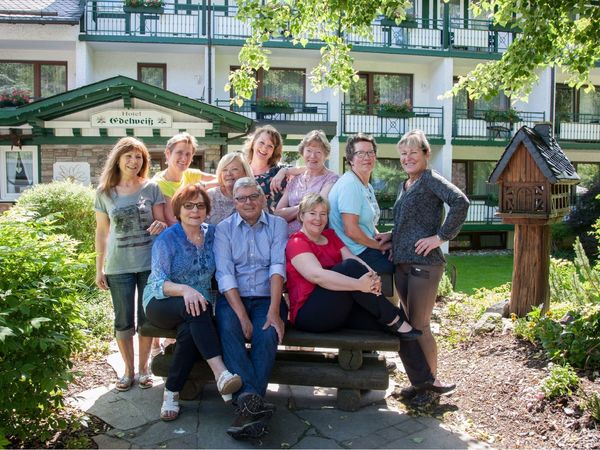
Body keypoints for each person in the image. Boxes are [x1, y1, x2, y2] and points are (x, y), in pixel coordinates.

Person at [143, 183, 242, 421]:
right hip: (161, 301)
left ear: (207, 210)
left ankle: (171, 391)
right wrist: (186, 290)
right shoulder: (167, 239)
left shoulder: (214, 234)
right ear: (178, 210)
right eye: (188, 206)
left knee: (191, 326)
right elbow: (158, 282)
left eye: (200, 205)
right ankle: (220, 372)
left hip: (197, 307)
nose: (195, 211)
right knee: (196, 306)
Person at [389, 129, 469, 404]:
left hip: (424, 265)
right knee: (408, 325)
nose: (407, 158)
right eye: (403, 153)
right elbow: (409, 223)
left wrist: (441, 237)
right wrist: (391, 235)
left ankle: (432, 383)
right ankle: (420, 382)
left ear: (426, 154)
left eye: (413, 152)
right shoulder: (406, 184)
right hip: (401, 263)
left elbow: (461, 201)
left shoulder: (430, 180)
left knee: (419, 325)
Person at [286, 193, 420, 339]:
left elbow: (352, 257)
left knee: (380, 325)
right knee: (349, 267)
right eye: (312, 213)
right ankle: (395, 320)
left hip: (337, 309)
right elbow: (318, 276)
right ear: (301, 216)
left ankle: (401, 332)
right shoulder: (297, 243)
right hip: (310, 315)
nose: (318, 219)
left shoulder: (330, 236)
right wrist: (359, 285)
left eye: (323, 214)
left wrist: (372, 275)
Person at [213, 177, 288, 440]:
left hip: (268, 298)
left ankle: (246, 404)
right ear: (234, 202)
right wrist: (242, 315)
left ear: (263, 198)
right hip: (234, 298)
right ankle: (253, 402)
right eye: (242, 198)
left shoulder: (278, 225)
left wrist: (274, 310)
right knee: (229, 328)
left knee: (267, 333)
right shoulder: (224, 229)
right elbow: (225, 275)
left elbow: (278, 267)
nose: (248, 202)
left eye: (253, 196)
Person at [95, 136, 167, 392]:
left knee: (147, 319)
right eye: (129, 156)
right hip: (118, 265)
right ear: (118, 159)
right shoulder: (105, 192)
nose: (134, 161)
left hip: (149, 264)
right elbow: (102, 232)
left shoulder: (151, 188)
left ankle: (145, 369)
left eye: (139, 157)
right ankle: (128, 370)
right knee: (123, 320)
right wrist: (99, 267)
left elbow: (163, 223)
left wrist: (162, 224)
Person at [327, 134, 393, 275]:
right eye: (360, 153)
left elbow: (367, 224)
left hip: (364, 245)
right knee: (400, 264)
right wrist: (378, 246)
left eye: (370, 152)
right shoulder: (350, 184)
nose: (367, 157)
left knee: (400, 252)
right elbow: (351, 230)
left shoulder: (366, 185)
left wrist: (380, 237)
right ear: (351, 159)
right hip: (354, 252)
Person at [275, 130, 339, 235]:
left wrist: (290, 211)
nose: (312, 156)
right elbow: (278, 214)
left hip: (313, 240)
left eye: (318, 152)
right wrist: (304, 208)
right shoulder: (295, 179)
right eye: (309, 150)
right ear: (302, 152)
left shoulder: (331, 179)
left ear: (325, 155)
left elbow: (317, 207)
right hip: (286, 239)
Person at [153, 132, 218, 226]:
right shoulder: (159, 183)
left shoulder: (190, 174)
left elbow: (221, 180)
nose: (184, 159)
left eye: (188, 154)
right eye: (179, 152)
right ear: (168, 153)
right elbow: (173, 218)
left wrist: (203, 185)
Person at [243, 125, 305, 212]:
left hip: (274, 224)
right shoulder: (241, 170)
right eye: (261, 142)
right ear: (253, 143)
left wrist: (284, 171)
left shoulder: (278, 171)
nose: (265, 148)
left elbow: (310, 169)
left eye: (270, 146)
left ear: (273, 151)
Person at [206, 152, 254, 225]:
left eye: (234, 169)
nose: (228, 173)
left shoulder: (255, 196)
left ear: (245, 172)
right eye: (224, 170)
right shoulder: (210, 196)